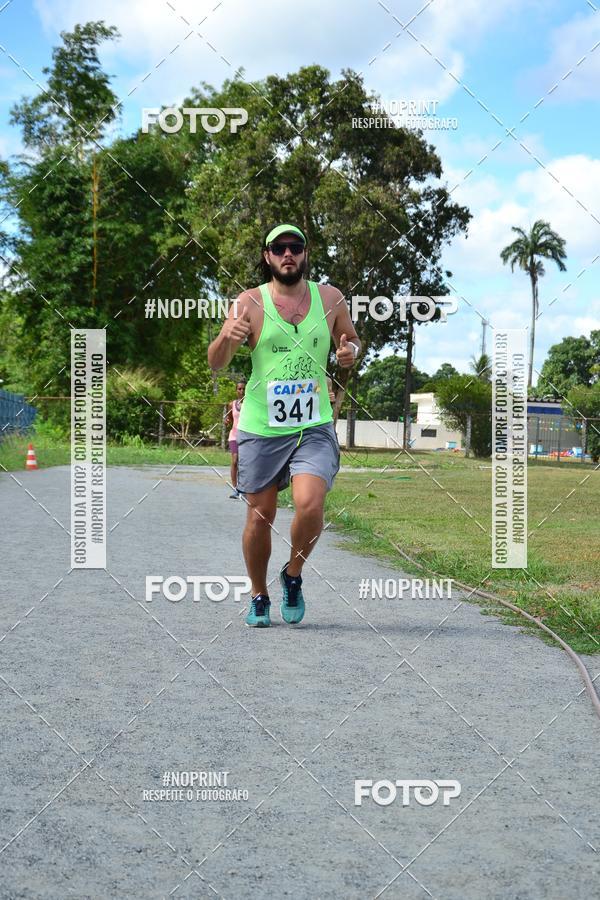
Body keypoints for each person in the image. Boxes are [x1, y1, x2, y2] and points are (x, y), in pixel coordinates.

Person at [208, 223, 361, 628]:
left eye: (295, 247)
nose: (287, 253)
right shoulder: (248, 303)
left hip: (313, 425)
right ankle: (258, 594)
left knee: (311, 505)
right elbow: (216, 363)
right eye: (279, 248)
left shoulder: (330, 298)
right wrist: (227, 337)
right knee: (261, 515)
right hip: (262, 426)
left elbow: (352, 340)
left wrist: (350, 352)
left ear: (306, 253)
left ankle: (292, 576)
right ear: (267, 256)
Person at [224, 380, 246, 499]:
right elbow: (229, 419)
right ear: (236, 390)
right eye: (239, 389)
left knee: (245, 463)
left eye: (243, 389)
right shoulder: (231, 404)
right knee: (234, 461)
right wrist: (226, 421)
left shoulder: (250, 404)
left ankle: (245, 488)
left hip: (247, 437)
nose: (241, 391)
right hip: (234, 436)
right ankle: (236, 489)